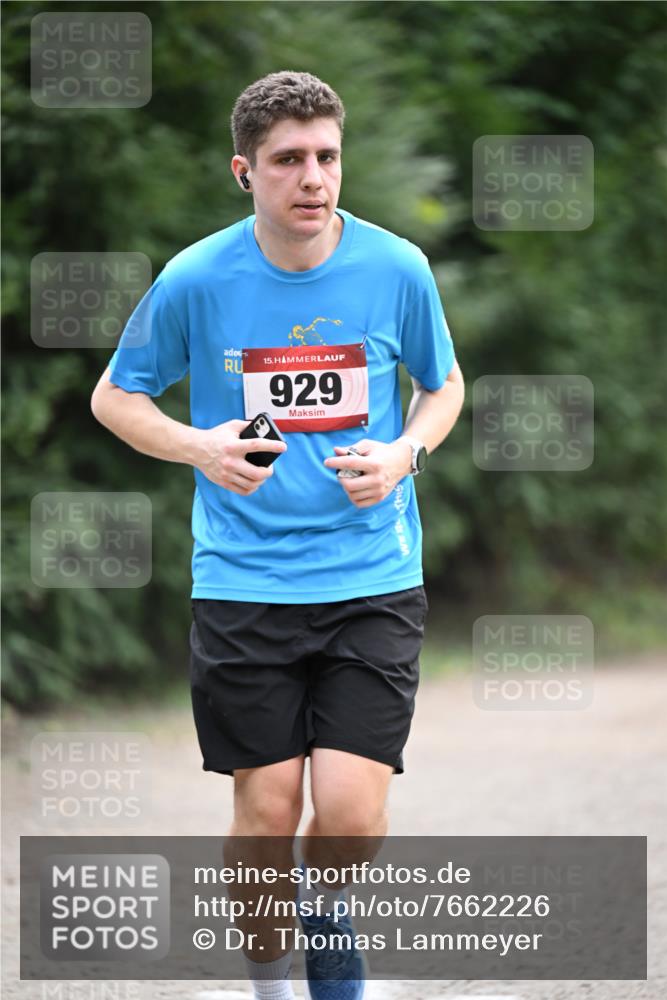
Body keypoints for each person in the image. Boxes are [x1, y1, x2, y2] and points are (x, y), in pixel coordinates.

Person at [91, 70, 464, 1000]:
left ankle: (333, 965)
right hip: (243, 583)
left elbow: (443, 384)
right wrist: (199, 448)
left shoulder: (396, 269)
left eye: (326, 157)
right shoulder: (197, 278)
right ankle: (269, 980)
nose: (313, 178)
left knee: (345, 818)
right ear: (243, 171)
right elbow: (114, 395)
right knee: (264, 820)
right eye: (288, 160)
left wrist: (406, 454)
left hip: (370, 575)